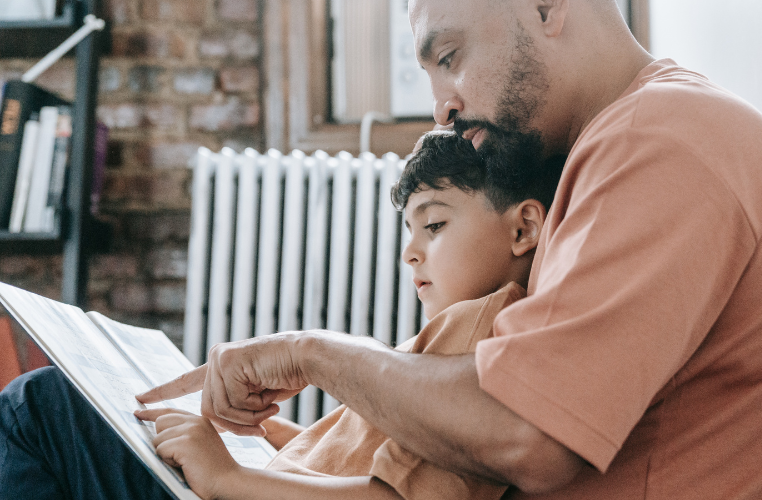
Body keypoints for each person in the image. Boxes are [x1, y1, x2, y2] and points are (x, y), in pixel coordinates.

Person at [5, 0, 762, 498]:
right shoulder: (610, 151)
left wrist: (309, 354)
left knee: (40, 412)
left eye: (449, 54)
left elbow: (524, 435)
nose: (442, 105)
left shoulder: (668, 143)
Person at [0, 131, 563, 500]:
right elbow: (352, 459)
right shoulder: (456, 336)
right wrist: (261, 430)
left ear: (523, 228)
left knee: (38, 406)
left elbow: (394, 497)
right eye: (409, 233)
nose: (409, 253)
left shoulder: (485, 328)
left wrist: (229, 476)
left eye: (434, 226)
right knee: (83, 406)